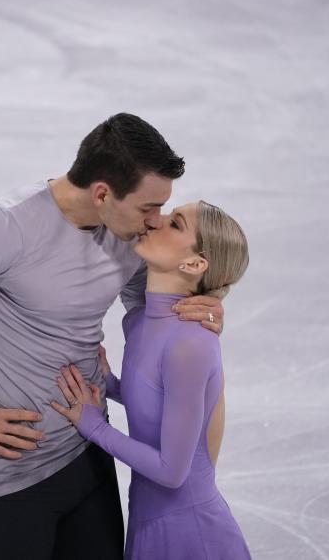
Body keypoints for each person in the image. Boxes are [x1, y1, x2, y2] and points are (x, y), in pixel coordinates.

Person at [0, 113, 228, 560]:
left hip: (91, 454)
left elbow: (149, 311)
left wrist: (199, 310)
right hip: (13, 476)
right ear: (102, 193)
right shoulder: (6, 228)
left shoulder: (127, 237)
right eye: (147, 208)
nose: (155, 222)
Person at [51, 199, 252, 560]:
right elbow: (156, 398)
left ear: (194, 264)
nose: (157, 220)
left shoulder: (191, 344)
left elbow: (172, 470)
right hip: (146, 523)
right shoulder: (139, 323)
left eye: (175, 223)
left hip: (192, 534)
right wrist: (108, 382)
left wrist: (93, 426)